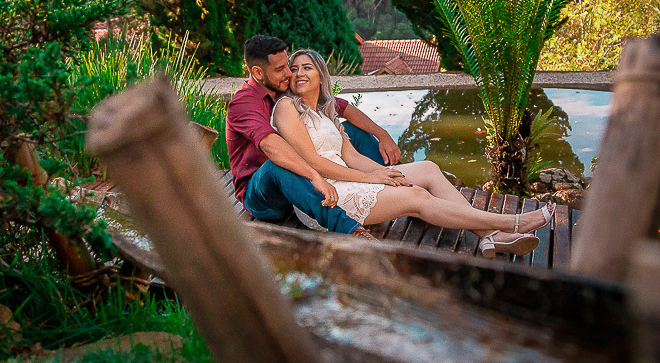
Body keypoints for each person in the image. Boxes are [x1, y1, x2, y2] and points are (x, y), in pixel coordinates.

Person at [271, 49, 554, 257]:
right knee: (417, 197)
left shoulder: (326, 112)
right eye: (294, 69)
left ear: (321, 76)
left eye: (306, 68)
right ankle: (510, 223)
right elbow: (313, 163)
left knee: (429, 168)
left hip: (349, 178)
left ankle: (489, 236)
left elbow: (353, 157)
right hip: (323, 197)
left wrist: (381, 172)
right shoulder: (286, 107)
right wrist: (371, 179)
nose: (298, 74)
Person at [227, 35, 397, 240]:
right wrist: (315, 176)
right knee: (278, 164)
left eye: (287, 65)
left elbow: (341, 107)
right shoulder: (244, 103)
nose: (289, 73)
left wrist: (383, 134)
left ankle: (398, 176)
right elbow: (271, 145)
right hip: (263, 196)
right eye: (280, 69)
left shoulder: (283, 89)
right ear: (257, 72)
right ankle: (350, 230)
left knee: (349, 132)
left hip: (297, 189)